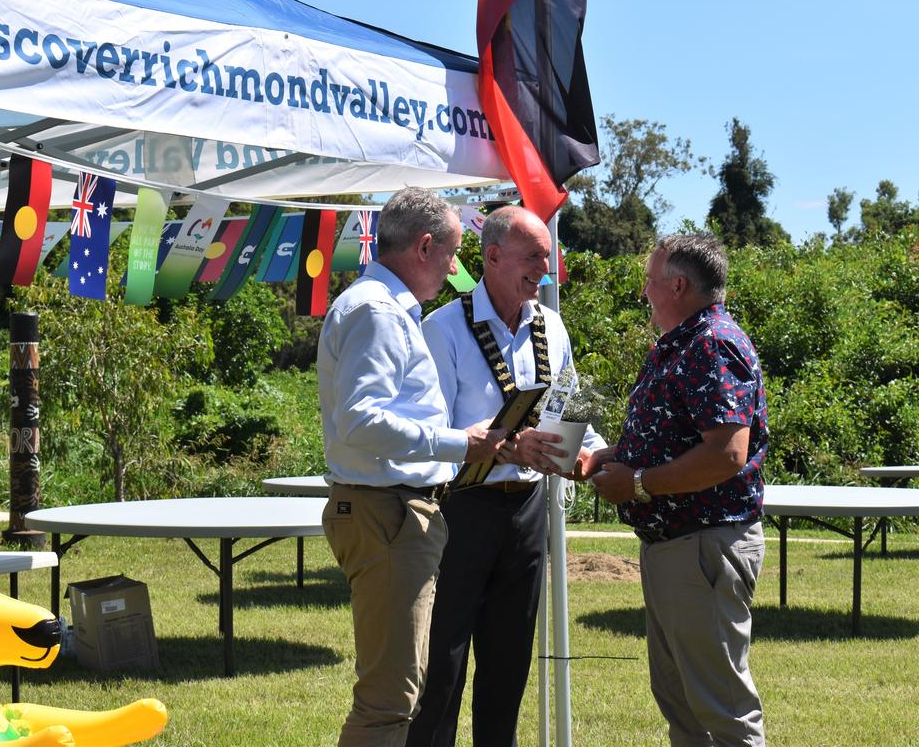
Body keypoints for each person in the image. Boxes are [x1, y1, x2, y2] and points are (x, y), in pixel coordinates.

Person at [406, 205, 607, 747]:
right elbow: (432, 438)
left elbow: (567, 418)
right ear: (491, 257)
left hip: (527, 511)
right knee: (443, 662)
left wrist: (596, 457)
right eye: (532, 256)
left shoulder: (551, 325)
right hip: (459, 509)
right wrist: (504, 449)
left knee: (510, 661)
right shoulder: (443, 329)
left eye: (547, 255)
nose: (545, 267)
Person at [318, 186, 507, 747]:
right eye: (452, 255)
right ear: (424, 246)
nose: (455, 270)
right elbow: (360, 419)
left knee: (398, 693)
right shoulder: (377, 311)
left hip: (395, 512)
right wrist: (457, 442)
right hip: (388, 514)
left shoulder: (384, 307)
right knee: (388, 700)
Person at [589, 232, 768, 747]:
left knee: (722, 711)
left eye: (650, 280)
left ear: (678, 285)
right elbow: (680, 435)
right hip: (679, 546)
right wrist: (618, 458)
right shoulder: (686, 342)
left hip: (702, 545)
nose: (644, 291)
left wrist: (639, 482)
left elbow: (726, 454)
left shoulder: (710, 342)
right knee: (685, 708)